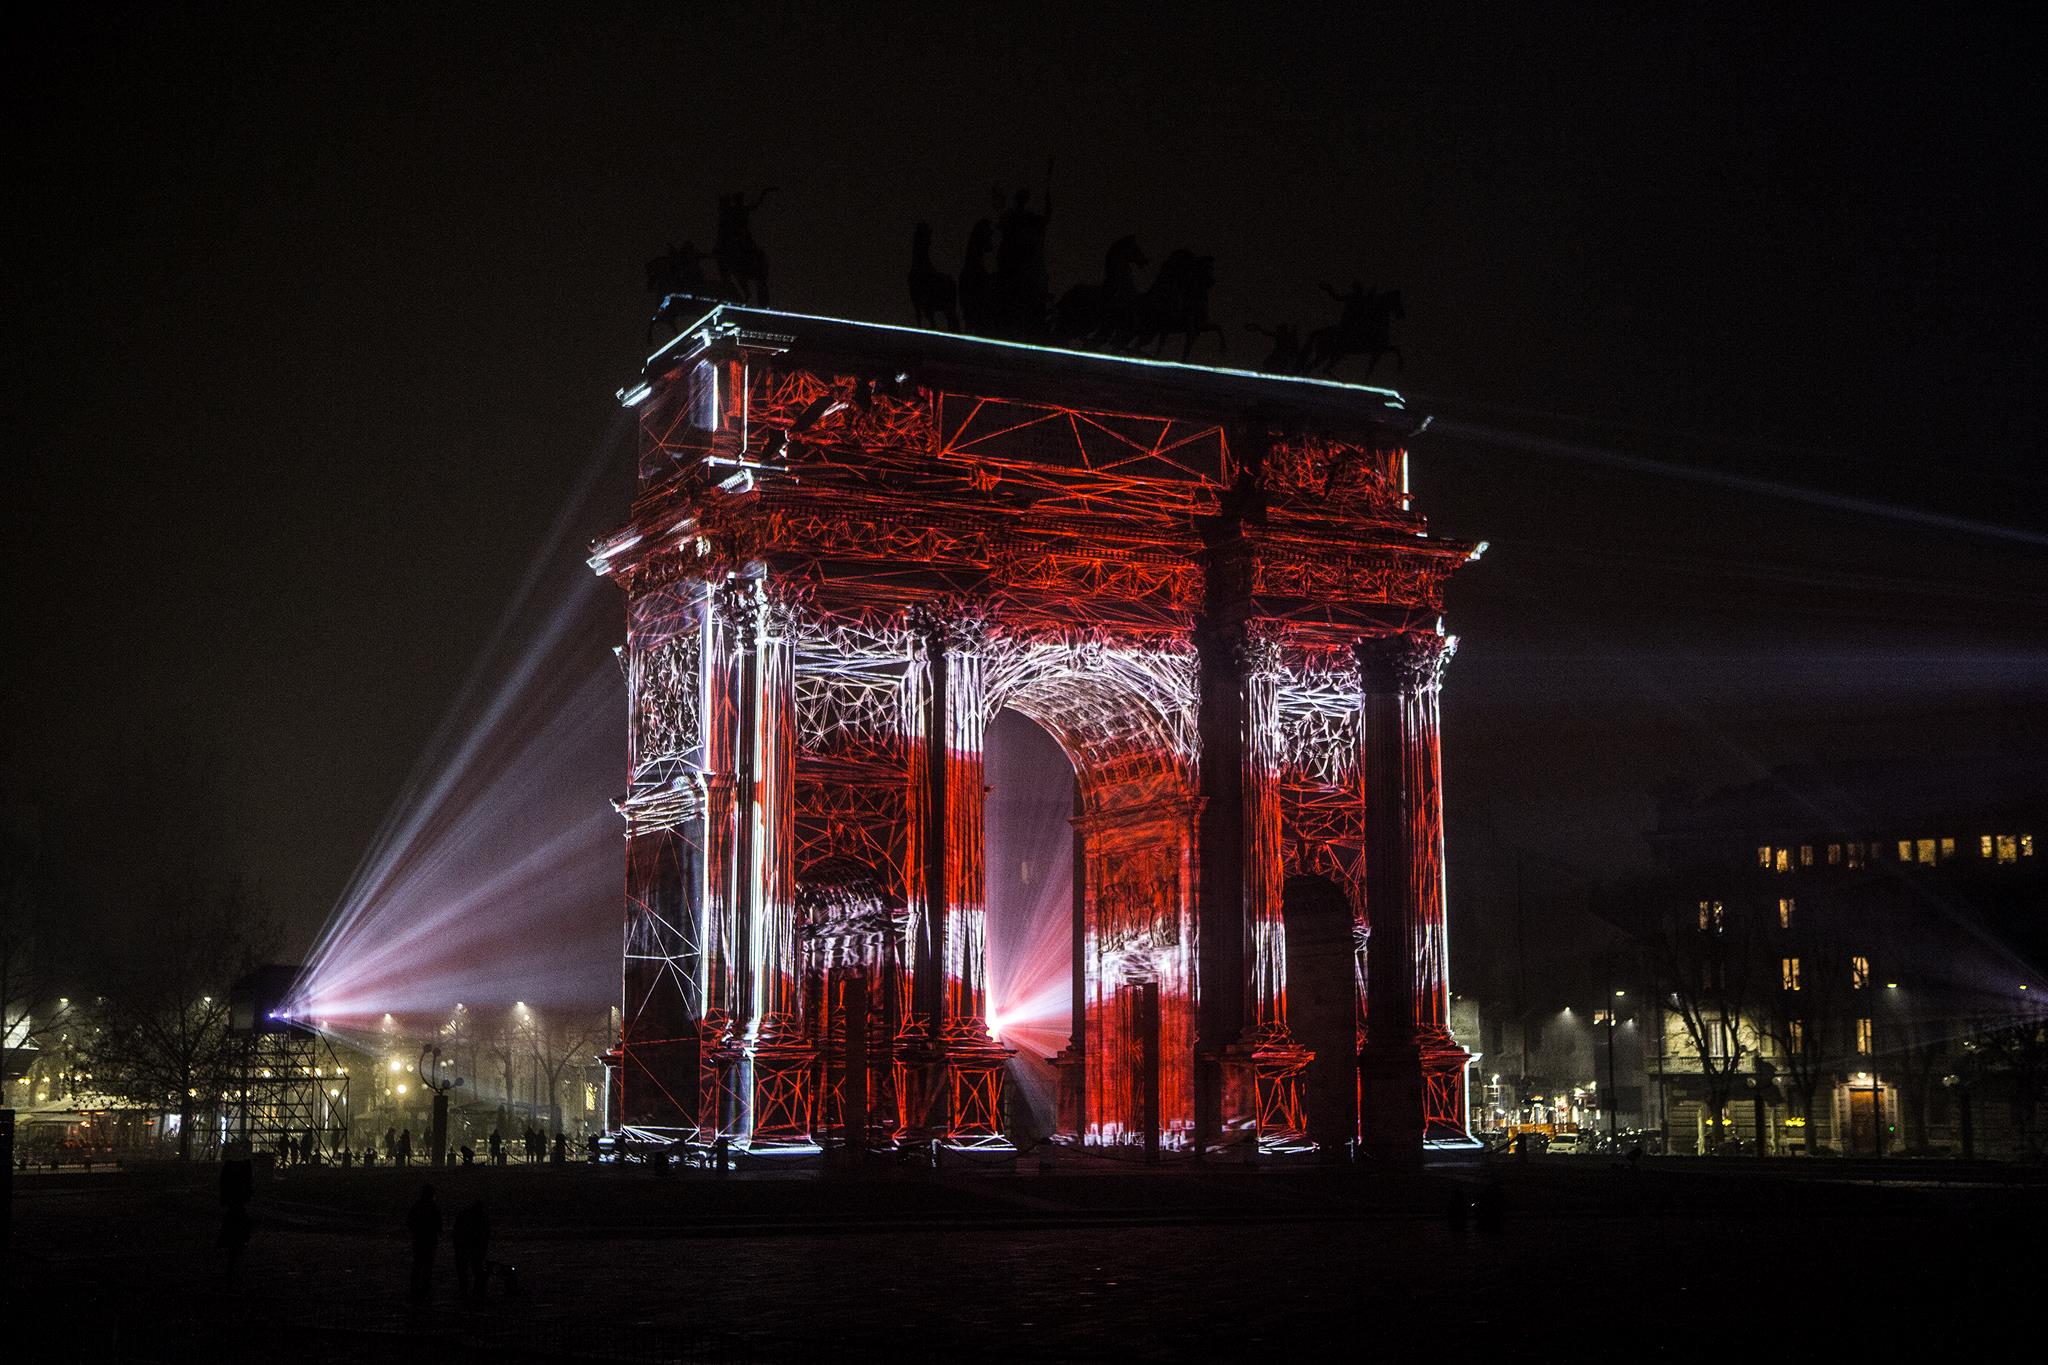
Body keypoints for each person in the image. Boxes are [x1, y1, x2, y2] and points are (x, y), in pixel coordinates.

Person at [218, 1144, 254, 1281]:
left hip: (233, 1209)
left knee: (233, 1238)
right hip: (237, 1210)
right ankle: (233, 1268)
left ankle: (231, 1269)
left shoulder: (229, 1171)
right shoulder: (244, 1172)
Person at [406, 1184, 442, 1302]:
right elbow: (438, 1223)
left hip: (418, 1239)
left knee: (417, 1264)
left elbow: (409, 1221)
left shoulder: (417, 1206)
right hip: (430, 1239)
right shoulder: (433, 1207)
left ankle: (414, 1287)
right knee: (428, 1266)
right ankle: (425, 1287)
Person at [451, 1200, 489, 1301]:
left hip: (464, 1247)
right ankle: (475, 1291)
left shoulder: (464, 1215)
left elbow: (456, 1231)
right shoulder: (481, 1218)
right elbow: (485, 1235)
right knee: (475, 1270)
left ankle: (466, 1291)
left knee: (464, 1271)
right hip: (472, 1247)